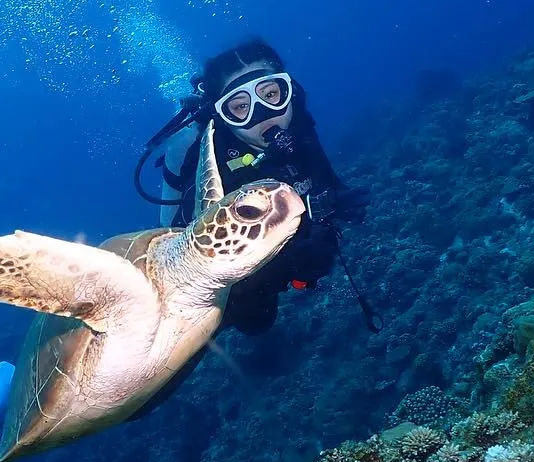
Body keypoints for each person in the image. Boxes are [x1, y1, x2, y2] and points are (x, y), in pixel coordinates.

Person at [135, 37, 372, 336]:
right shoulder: (215, 166)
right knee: (255, 320)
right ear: (221, 116)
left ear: (290, 92)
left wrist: (333, 204)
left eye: (272, 94)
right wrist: (289, 263)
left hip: (285, 244)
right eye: (240, 107)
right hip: (216, 284)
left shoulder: (298, 126)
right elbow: (197, 266)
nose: (264, 114)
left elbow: (323, 181)